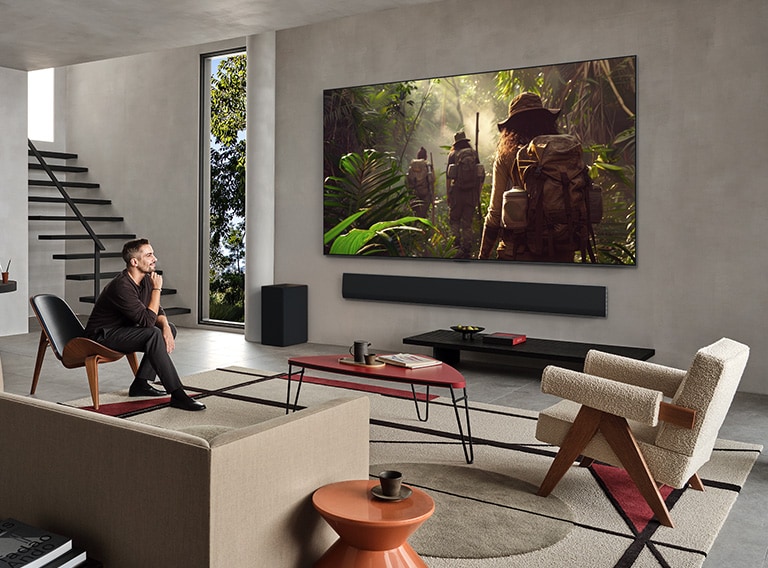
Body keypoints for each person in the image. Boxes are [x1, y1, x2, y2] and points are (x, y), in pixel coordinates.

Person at [84, 238, 206, 411]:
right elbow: (148, 322)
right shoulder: (122, 287)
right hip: (100, 336)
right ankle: (178, 394)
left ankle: (140, 384)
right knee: (153, 333)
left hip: (121, 330)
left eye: (153, 254)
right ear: (134, 262)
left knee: (167, 328)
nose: (154, 259)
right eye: (149, 255)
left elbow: (157, 311)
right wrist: (157, 289)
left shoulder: (146, 280)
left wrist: (165, 327)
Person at [479, 92, 578, 262]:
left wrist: (483, 255)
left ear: (512, 126)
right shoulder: (563, 151)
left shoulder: (506, 155)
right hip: (562, 247)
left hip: (520, 251)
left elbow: (495, 212)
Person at [446, 131, 482, 258]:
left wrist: (448, 195)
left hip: (457, 192)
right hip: (471, 193)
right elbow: (480, 175)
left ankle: (455, 246)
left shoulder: (452, 155)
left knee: (454, 220)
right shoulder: (473, 154)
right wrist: (478, 193)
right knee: (467, 222)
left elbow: (448, 177)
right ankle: (467, 249)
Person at [405, 146, 434, 218]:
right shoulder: (428, 165)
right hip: (425, 194)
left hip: (414, 194)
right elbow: (432, 179)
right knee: (423, 215)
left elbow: (407, 180)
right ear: (426, 156)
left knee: (415, 214)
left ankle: (415, 227)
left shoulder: (411, 166)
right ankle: (422, 227)